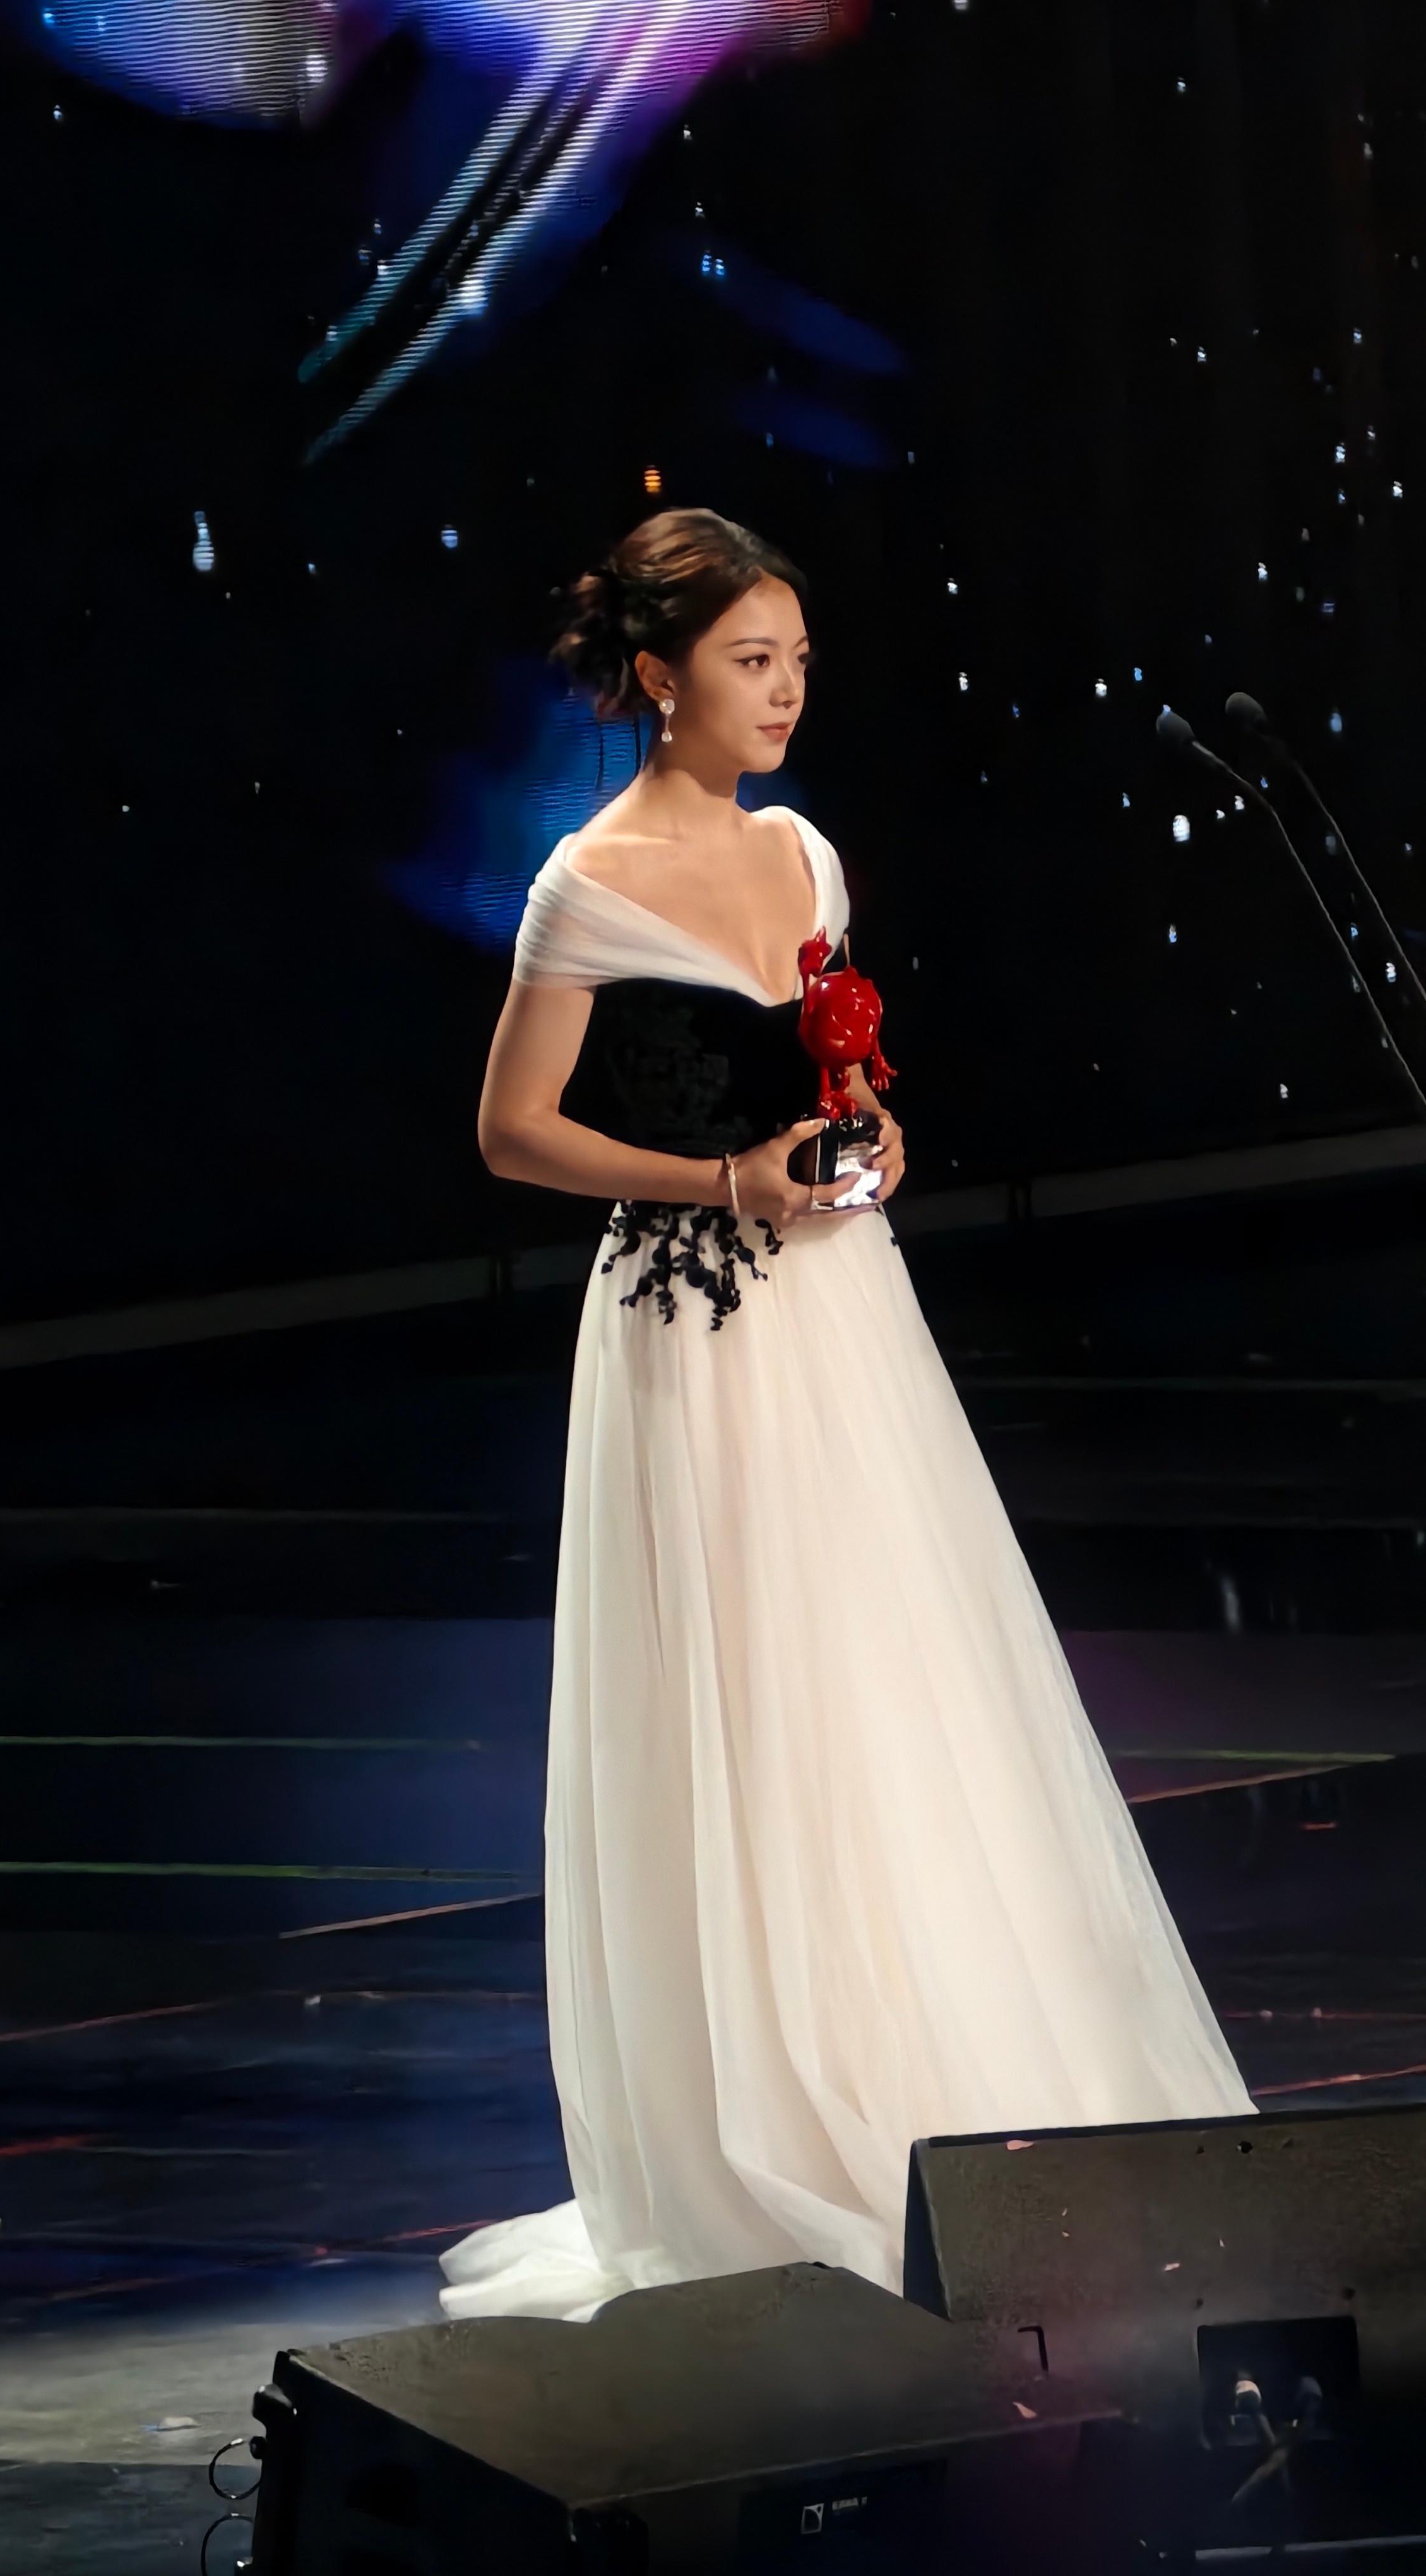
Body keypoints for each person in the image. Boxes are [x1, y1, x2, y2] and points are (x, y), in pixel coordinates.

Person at [439, 506, 1254, 2325]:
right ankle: (770, 2103)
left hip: (840, 1311)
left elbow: (855, 1074)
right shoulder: (584, 882)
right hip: (692, 1325)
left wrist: (869, 1132)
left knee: (892, 1670)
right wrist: (722, 1180)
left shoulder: (803, 854)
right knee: (748, 1689)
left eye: (798, 660)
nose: (785, 690)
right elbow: (514, 1132)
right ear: (658, 676)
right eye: (751, 660)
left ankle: (944, 2063)